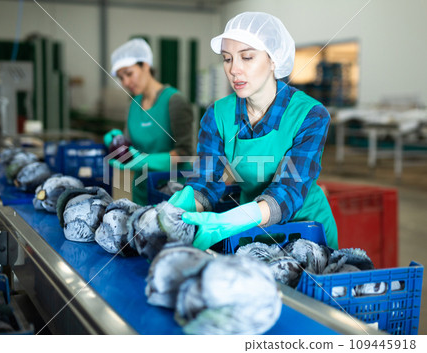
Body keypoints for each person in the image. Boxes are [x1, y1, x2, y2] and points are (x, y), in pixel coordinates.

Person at [169, 12, 338, 250]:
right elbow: (208, 179)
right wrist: (185, 204)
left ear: (273, 60)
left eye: (246, 57)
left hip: (306, 230)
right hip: (250, 232)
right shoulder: (217, 115)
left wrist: (228, 220)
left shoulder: (310, 115)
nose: (234, 70)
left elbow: (290, 190)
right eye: (227, 59)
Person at [105, 38, 194, 205]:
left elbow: (185, 153)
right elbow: (129, 145)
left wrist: (145, 160)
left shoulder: (174, 101)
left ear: (145, 65)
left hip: (172, 194)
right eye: (121, 78)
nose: (125, 82)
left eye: (129, 74)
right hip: (141, 190)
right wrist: (116, 142)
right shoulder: (133, 104)